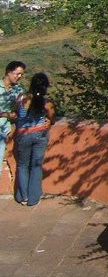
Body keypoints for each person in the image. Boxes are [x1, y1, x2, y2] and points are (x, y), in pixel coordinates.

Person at [14, 72, 56, 207]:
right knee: (36, 166)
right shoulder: (47, 103)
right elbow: (52, 119)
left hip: (23, 135)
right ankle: (33, 198)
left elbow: (17, 114)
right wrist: (48, 121)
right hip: (40, 135)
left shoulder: (22, 98)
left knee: (22, 165)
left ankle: (23, 196)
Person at [1, 60, 26, 178]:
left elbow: (21, 108)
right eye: (17, 73)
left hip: (5, 130)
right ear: (8, 72)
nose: (19, 76)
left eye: (21, 74)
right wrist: (6, 114)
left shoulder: (18, 90)